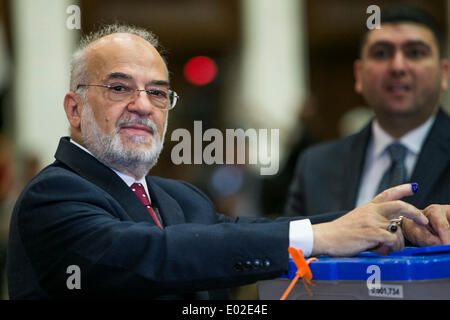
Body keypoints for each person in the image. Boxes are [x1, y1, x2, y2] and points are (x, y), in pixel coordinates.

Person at [6, 24, 432, 300]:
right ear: (75, 109)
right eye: (119, 88)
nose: (142, 105)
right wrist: (321, 238)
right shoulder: (53, 195)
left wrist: (397, 221)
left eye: (157, 92)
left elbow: (253, 233)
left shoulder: (179, 198)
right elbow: (157, 254)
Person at [285, 6, 450, 247]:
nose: (398, 67)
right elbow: (293, 259)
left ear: (444, 73)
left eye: (415, 53)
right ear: (359, 75)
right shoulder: (315, 167)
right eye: (381, 53)